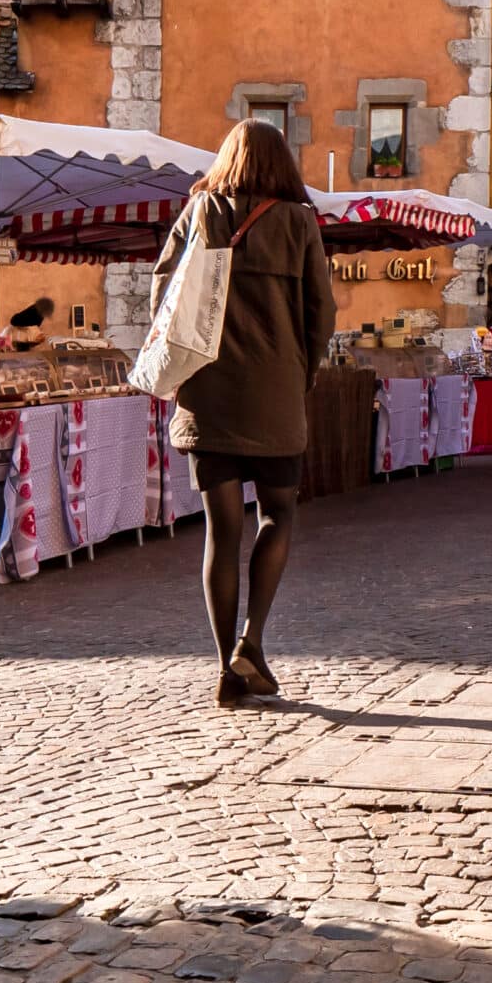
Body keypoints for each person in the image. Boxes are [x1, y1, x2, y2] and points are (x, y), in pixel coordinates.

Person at [152, 120, 336, 710]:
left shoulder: (199, 212)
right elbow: (321, 314)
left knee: (221, 533)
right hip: (276, 392)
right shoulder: (299, 222)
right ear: (283, 164)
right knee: (278, 515)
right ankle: (251, 642)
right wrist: (300, 374)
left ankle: (224, 664)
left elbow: (161, 297)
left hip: (209, 397)